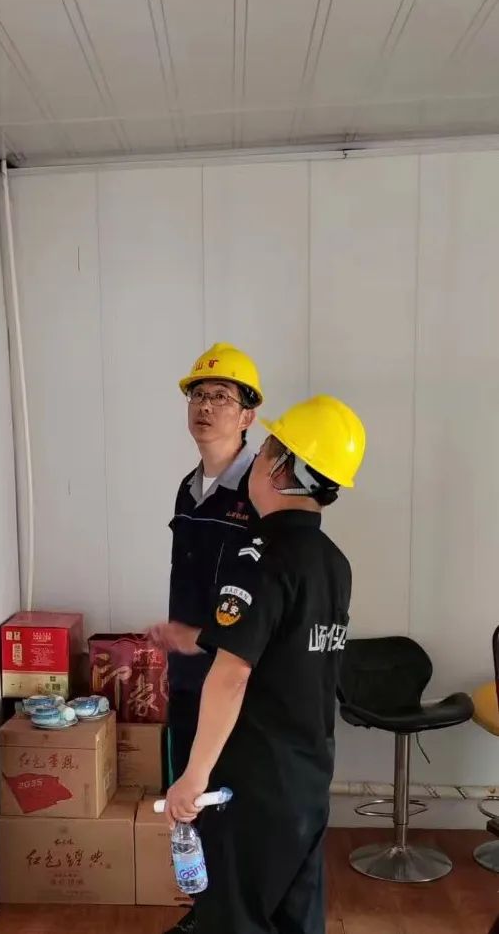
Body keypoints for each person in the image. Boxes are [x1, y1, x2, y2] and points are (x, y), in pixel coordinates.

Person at [164, 394, 366, 934]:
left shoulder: (259, 556)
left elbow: (233, 675)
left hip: (251, 783)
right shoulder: (333, 563)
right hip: (308, 778)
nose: (256, 461)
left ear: (281, 468)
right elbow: (286, 647)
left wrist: (193, 777)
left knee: (237, 916)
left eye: (266, 450)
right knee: (295, 917)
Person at [149, 342, 264, 781]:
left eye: (221, 396)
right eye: (198, 395)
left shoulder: (261, 488)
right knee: (187, 800)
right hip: (186, 675)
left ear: (247, 416)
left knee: (229, 800)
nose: (206, 407)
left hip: (235, 681)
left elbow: (265, 591)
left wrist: (204, 638)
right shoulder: (188, 488)